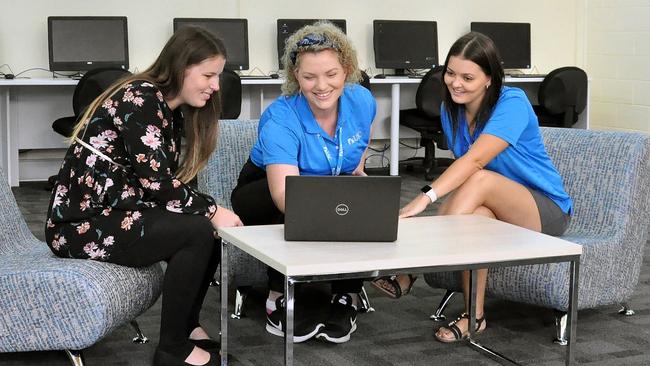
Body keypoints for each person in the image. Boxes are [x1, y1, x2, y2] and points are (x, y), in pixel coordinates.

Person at [45, 26, 242, 366]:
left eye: (217, 76)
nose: (215, 85)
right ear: (182, 68)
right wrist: (212, 209)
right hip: (78, 226)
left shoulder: (167, 108)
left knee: (202, 225)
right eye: (208, 75)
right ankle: (173, 350)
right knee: (198, 229)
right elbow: (157, 185)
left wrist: (206, 213)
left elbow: (162, 185)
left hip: (113, 213)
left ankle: (187, 327)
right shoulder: (142, 98)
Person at [373, 32, 573, 343]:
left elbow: (476, 162)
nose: (456, 83)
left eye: (468, 77)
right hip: (493, 204)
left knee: (480, 178)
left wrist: (425, 198)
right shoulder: (450, 110)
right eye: (451, 73)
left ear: (489, 79)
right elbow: (464, 174)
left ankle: (411, 264)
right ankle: (474, 315)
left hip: (544, 210)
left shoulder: (513, 103)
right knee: (473, 220)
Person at [230, 21, 375, 344]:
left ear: (347, 70)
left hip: (325, 182)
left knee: (364, 200)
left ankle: (346, 295)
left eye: (331, 75)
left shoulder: (362, 100)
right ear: (296, 76)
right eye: (309, 77)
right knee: (300, 207)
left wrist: (358, 174)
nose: (321, 86)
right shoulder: (281, 117)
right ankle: (279, 293)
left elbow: (361, 139)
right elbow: (285, 196)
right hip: (267, 192)